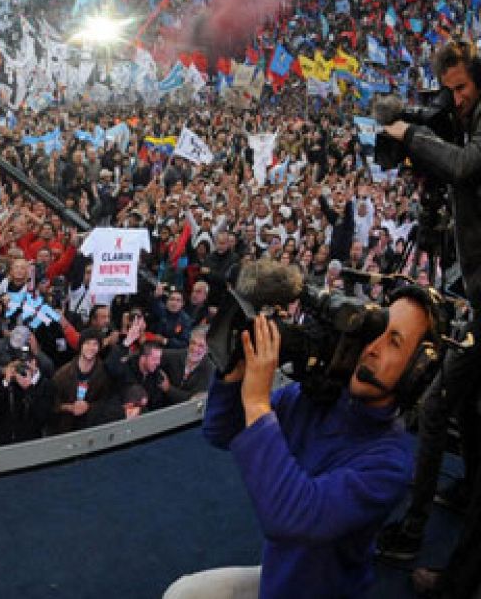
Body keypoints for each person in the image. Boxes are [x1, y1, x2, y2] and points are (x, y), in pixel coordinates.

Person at [163, 293, 437, 599]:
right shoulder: (316, 399)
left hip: (320, 592)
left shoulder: (391, 463)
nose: (372, 348)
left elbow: (292, 518)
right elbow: (220, 431)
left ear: (417, 371)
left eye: (394, 342)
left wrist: (256, 401)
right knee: (182, 593)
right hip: (277, 579)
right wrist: (234, 374)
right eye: (376, 333)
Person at [375, 42, 481, 591]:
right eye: (452, 90)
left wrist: (410, 135)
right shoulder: (464, 111)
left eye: (463, 88)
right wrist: (406, 115)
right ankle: (459, 495)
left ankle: (434, 552)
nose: (457, 100)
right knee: (454, 401)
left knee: (440, 402)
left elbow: (464, 165)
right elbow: (440, 121)